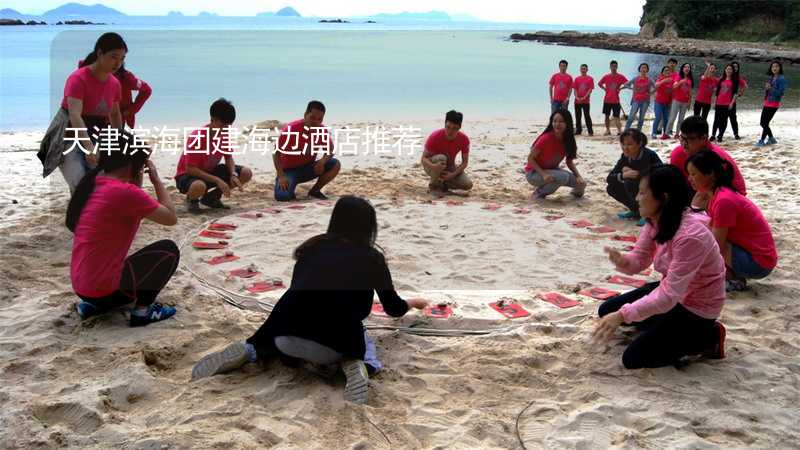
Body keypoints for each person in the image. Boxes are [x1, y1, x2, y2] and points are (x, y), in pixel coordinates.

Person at [191, 196, 429, 404]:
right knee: (363, 338)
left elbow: (298, 291)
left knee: (297, 315)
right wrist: (413, 302)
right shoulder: (373, 258)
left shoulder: (311, 248)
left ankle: (250, 350)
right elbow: (393, 308)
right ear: (369, 227)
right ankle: (359, 365)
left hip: (282, 337)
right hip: (332, 346)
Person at [593, 165, 726, 369]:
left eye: (642, 192)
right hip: (673, 293)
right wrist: (623, 261)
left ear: (663, 197)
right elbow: (640, 258)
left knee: (633, 358)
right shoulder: (655, 220)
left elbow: (667, 297)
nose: (637, 198)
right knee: (607, 310)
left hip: (697, 306)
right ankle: (662, 327)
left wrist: (623, 315)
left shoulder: (691, 236)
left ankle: (710, 337)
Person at [68, 131, 180, 327]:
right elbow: (170, 217)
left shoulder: (93, 184)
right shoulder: (125, 192)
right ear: (132, 163)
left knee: (114, 263)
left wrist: (136, 178)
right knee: (168, 250)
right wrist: (156, 180)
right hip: (105, 292)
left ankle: (94, 306)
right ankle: (143, 311)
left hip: (82, 287)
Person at [38, 32, 126, 194]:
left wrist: (118, 140)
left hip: (97, 133)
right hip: (68, 133)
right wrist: (88, 147)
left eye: (122, 59)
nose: (118, 63)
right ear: (100, 53)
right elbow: (75, 115)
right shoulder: (78, 78)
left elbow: (114, 114)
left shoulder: (114, 84)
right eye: (114, 57)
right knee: (80, 181)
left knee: (102, 181)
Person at [686, 151, 777, 291]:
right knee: (703, 230)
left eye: (693, 174)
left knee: (707, 239)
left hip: (758, 263)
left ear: (710, 174)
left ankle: (731, 279)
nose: (689, 179)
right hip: (754, 254)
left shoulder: (724, 200)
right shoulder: (717, 194)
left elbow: (716, 245)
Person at [174, 98, 253, 213]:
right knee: (199, 186)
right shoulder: (198, 137)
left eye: (228, 126)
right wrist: (217, 180)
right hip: (187, 175)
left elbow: (228, 157)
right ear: (213, 119)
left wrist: (233, 174)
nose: (225, 129)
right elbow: (190, 169)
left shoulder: (224, 134)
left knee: (246, 173)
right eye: (222, 125)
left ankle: (211, 198)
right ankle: (192, 200)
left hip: (209, 171)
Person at [669, 116, 746, 209]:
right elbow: (675, 185)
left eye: (689, 139)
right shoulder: (678, 154)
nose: (684, 144)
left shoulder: (715, 157)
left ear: (704, 138)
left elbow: (737, 191)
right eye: (682, 138)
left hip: (727, 197)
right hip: (698, 190)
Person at [274, 100, 341, 201]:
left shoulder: (321, 130)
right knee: (282, 197)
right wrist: (281, 175)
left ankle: (315, 191)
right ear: (305, 115)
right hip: (288, 171)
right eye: (312, 118)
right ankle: (289, 186)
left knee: (335, 164)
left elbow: (330, 150)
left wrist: (322, 161)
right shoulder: (291, 129)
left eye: (320, 119)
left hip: (308, 168)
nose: (316, 122)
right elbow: (276, 153)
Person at [524, 110, 586, 200]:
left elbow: (569, 161)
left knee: (581, 185)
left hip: (552, 170)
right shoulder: (546, 138)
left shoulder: (568, 140)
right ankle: (538, 194)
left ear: (567, 123)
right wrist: (544, 174)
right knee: (563, 177)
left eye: (561, 121)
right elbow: (530, 158)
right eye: (554, 121)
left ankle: (573, 196)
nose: (557, 124)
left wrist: (578, 176)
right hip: (534, 173)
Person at [606, 129, 662, 226]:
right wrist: (623, 175)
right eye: (623, 144)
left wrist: (638, 174)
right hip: (637, 189)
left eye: (629, 144)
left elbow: (661, 173)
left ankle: (648, 214)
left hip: (653, 190)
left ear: (639, 143)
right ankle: (635, 210)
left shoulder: (649, 155)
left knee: (630, 182)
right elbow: (609, 178)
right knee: (611, 187)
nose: (625, 148)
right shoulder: (625, 157)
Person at [421, 110, 473, 192]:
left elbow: (464, 162)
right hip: (433, 165)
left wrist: (452, 175)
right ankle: (434, 185)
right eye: (448, 127)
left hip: (450, 167)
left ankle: (444, 184)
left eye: (454, 128)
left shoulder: (464, 139)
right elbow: (423, 158)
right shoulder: (435, 136)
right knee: (442, 158)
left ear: (459, 127)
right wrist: (433, 166)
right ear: (445, 124)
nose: (450, 131)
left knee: (467, 184)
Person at [757, 61, 787, 147]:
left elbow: (780, 93)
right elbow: (769, 91)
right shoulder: (771, 77)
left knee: (764, 123)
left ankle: (762, 140)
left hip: (774, 103)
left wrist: (771, 88)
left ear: (780, 68)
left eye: (776, 66)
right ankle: (771, 139)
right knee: (763, 123)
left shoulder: (782, 79)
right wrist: (767, 89)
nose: (774, 68)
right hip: (767, 102)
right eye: (773, 66)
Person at [114, 64, 152, 129]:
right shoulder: (95, 77)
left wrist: (131, 110)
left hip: (118, 119)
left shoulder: (126, 77)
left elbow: (147, 90)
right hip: (96, 119)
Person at [598, 60, 628, 136]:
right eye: (612, 66)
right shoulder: (606, 76)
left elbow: (628, 84)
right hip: (607, 100)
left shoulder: (620, 76)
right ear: (610, 67)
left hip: (616, 101)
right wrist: (604, 89)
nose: (614, 68)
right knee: (606, 116)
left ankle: (619, 131)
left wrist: (621, 88)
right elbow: (599, 83)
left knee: (616, 117)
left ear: (617, 67)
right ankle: (607, 130)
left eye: (615, 66)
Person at [622, 63, 655, 131]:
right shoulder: (635, 78)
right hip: (636, 100)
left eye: (645, 68)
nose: (643, 69)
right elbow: (626, 84)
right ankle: (626, 131)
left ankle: (638, 132)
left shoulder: (649, 79)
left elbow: (656, 86)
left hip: (645, 101)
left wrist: (651, 93)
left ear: (647, 70)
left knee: (641, 118)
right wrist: (631, 88)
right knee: (631, 117)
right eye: (642, 67)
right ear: (639, 69)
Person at [710, 64, 738, 142]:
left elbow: (735, 93)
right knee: (716, 120)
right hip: (719, 103)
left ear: (732, 71)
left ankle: (720, 135)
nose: (728, 70)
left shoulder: (734, 81)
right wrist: (714, 102)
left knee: (724, 120)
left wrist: (732, 103)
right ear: (725, 70)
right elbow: (717, 93)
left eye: (730, 69)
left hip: (727, 104)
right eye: (727, 69)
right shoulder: (721, 80)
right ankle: (713, 135)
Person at [666, 63, 693, 139]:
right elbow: (674, 87)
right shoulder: (678, 77)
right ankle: (666, 133)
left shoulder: (690, 80)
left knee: (681, 119)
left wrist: (689, 102)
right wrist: (681, 81)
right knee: (672, 118)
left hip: (685, 102)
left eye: (688, 67)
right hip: (676, 100)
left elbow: (690, 92)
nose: (687, 68)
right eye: (685, 67)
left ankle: (677, 134)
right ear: (682, 68)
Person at [726, 61, 747, 140]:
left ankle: (736, 134)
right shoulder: (727, 76)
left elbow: (744, 85)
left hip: (732, 100)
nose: (735, 68)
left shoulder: (737, 78)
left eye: (736, 67)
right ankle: (718, 134)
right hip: (723, 101)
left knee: (733, 118)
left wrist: (740, 94)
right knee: (722, 118)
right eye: (733, 66)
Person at [652, 66, 674, 139]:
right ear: (662, 72)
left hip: (667, 103)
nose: (667, 72)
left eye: (668, 71)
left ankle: (665, 133)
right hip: (659, 102)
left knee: (666, 119)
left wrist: (671, 102)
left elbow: (672, 92)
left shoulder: (672, 80)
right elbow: (656, 85)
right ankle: (654, 133)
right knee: (658, 117)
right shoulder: (660, 79)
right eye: (665, 70)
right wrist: (664, 81)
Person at [573, 64, 595, 136]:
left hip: (586, 101)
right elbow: (575, 89)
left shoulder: (590, 78)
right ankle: (578, 130)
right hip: (577, 101)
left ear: (587, 70)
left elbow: (590, 89)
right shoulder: (577, 79)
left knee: (587, 116)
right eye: (582, 69)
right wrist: (576, 97)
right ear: (580, 70)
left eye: (584, 69)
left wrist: (584, 97)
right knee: (578, 116)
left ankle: (590, 131)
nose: (583, 70)